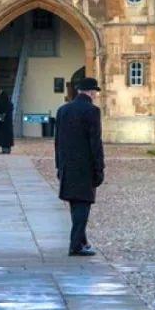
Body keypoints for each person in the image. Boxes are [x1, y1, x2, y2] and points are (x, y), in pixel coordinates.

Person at [54, 76, 105, 256]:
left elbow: (57, 142)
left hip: (67, 164)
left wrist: (59, 165)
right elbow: (95, 142)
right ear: (91, 92)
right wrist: (99, 167)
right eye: (95, 92)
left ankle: (81, 240)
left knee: (75, 203)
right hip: (85, 165)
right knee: (83, 204)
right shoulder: (92, 111)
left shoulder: (63, 110)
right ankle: (75, 244)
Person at [0, 90, 14, 154]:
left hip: (1, 123)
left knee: (3, 137)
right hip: (8, 123)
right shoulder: (10, 104)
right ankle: (8, 149)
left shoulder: (0, 103)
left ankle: (4, 150)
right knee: (8, 137)